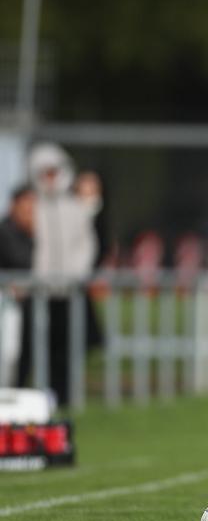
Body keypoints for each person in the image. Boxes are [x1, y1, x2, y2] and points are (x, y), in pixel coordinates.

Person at [28, 143, 103, 407]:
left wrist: (75, 274)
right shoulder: (32, 207)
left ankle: (66, 396)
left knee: (68, 348)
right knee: (39, 347)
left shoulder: (73, 207)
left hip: (69, 292)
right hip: (38, 293)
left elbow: (86, 245)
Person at [0, 184, 36, 386]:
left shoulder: (35, 233)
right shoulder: (5, 231)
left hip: (25, 306)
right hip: (7, 304)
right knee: (8, 354)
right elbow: (20, 259)